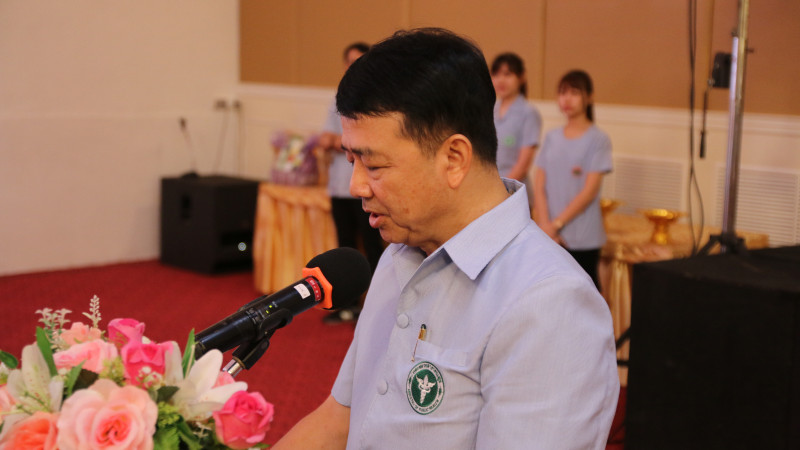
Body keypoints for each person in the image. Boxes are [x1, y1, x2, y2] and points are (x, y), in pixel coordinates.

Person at [274, 29, 618, 449]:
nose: (356, 186)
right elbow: (340, 419)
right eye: (351, 159)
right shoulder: (399, 254)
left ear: (454, 158)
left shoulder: (549, 303)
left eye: (374, 165)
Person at [317, 41, 384, 324]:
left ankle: (376, 307)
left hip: (366, 188)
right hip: (339, 186)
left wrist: (341, 142)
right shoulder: (338, 100)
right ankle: (346, 305)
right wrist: (343, 143)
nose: (353, 67)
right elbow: (325, 139)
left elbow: (364, 144)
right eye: (349, 62)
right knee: (344, 247)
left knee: (372, 248)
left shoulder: (378, 101)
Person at [533, 70, 612, 289]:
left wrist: (556, 225)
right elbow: (539, 185)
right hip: (549, 234)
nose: (566, 99)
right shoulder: (552, 137)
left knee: (585, 295)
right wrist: (545, 226)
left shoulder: (598, 139)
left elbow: (589, 192)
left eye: (574, 92)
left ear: (589, 97)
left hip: (582, 236)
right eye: (562, 92)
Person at [490, 52, 542, 201]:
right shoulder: (490, 110)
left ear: (521, 77)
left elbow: (523, 164)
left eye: (507, 74)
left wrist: (500, 192)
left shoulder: (528, 113)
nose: (501, 80)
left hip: (513, 195)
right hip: (489, 194)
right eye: (496, 74)